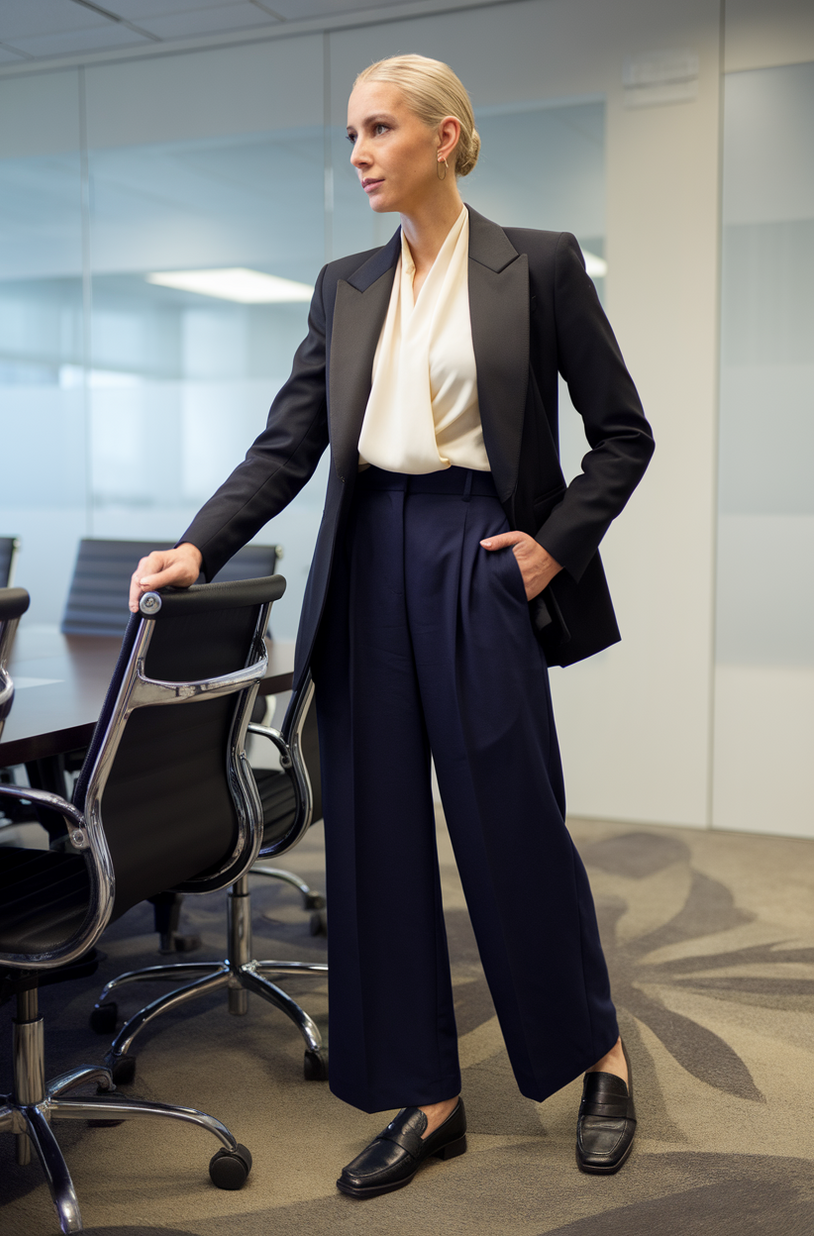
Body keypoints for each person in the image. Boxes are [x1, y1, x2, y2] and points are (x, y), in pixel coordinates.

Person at [129, 54, 654, 1196]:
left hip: (477, 557)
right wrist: (200, 542)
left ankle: (594, 1055)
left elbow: (623, 433)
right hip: (367, 562)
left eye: (378, 130)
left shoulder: (540, 268)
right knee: (371, 841)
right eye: (351, 134)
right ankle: (427, 1097)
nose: (358, 153)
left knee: (511, 824)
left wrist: (552, 545)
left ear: (447, 138)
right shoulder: (345, 285)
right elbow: (291, 440)